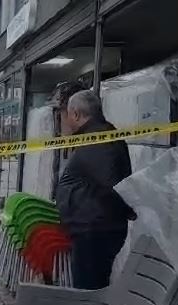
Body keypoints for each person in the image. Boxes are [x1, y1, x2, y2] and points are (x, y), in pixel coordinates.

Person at [53, 88, 135, 290]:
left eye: (66, 116)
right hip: (93, 228)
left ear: (76, 115)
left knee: (88, 290)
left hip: (94, 232)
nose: (65, 122)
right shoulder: (97, 135)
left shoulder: (98, 139)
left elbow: (113, 184)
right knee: (89, 286)